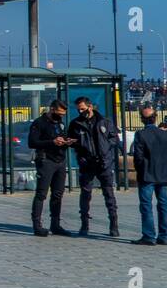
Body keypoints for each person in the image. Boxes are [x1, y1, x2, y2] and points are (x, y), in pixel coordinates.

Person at [66, 96, 121, 237]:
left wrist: (106, 148)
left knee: (108, 193)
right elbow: (70, 140)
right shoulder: (76, 124)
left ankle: (113, 224)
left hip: (104, 163)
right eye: (78, 109)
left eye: (83, 109)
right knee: (85, 193)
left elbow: (114, 138)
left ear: (90, 107)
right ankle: (84, 224)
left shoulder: (104, 121)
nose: (80, 112)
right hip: (87, 163)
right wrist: (75, 145)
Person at [28, 100, 75, 237]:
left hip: (60, 160)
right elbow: (32, 142)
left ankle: (55, 224)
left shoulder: (60, 123)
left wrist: (67, 142)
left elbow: (63, 137)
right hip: (46, 160)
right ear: (52, 109)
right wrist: (52, 142)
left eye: (63, 114)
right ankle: (37, 225)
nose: (61, 116)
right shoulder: (39, 123)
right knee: (41, 193)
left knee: (58, 194)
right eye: (59, 113)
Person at [132, 105, 167, 246]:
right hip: (163, 174)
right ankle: (164, 236)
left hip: (147, 174)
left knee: (146, 205)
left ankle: (149, 235)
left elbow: (138, 157)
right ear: (155, 117)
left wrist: (141, 168)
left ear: (142, 119)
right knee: (163, 205)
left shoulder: (141, 134)